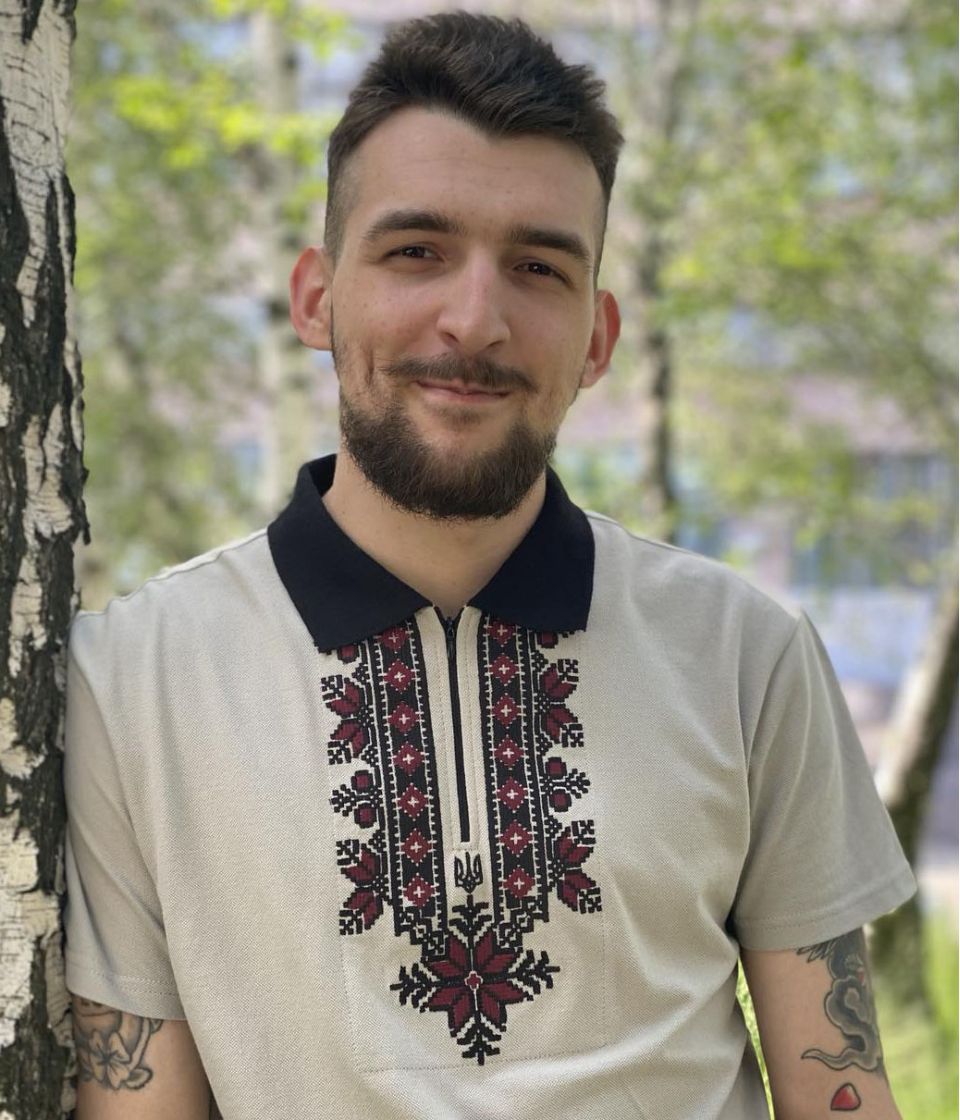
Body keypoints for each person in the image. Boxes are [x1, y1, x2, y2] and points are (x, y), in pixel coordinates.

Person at [63, 12, 915, 1120]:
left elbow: (840, 1088)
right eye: (416, 251)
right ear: (316, 297)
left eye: (537, 268)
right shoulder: (132, 680)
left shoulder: (748, 656)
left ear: (597, 337)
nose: (475, 320)